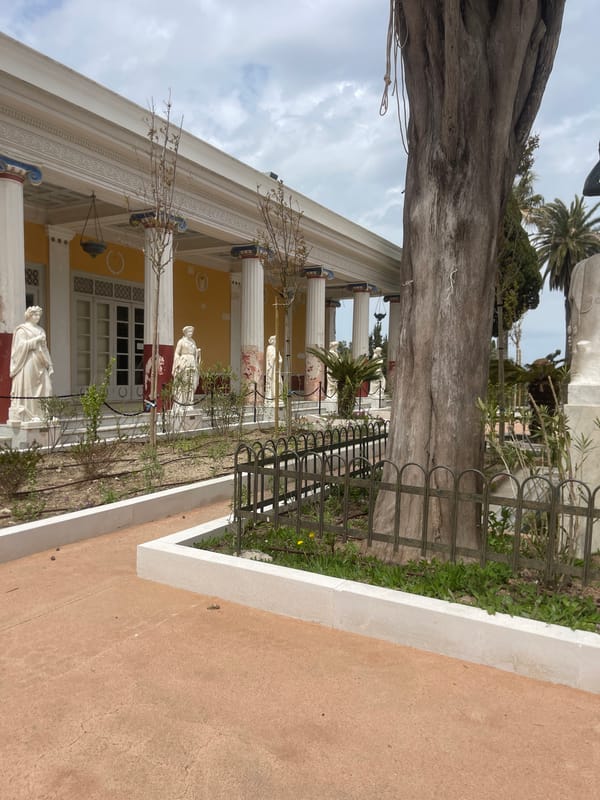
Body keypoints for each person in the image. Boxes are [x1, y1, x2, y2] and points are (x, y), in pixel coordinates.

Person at [9, 306, 54, 422]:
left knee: (47, 388)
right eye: (35, 314)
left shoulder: (41, 330)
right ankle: (31, 415)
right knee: (30, 388)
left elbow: (45, 349)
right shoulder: (22, 330)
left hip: (41, 361)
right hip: (28, 361)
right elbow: (19, 347)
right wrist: (36, 340)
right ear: (29, 315)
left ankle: (44, 413)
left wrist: (50, 365)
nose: (37, 317)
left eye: (39, 315)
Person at [172, 326, 201, 410]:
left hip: (192, 363)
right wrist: (179, 362)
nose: (191, 333)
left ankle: (189, 403)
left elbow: (195, 354)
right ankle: (181, 403)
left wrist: (198, 353)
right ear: (185, 332)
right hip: (184, 364)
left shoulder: (193, 341)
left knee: (191, 384)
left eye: (192, 332)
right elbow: (176, 353)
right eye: (189, 332)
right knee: (183, 384)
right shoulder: (181, 342)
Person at [265, 334, 282, 404]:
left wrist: (280, 360)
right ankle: (273, 397)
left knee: (279, 382)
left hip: (277, 369)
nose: (276, 342)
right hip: (272, 370)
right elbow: (271, 358)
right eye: (275, 340)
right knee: (274, 382)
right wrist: (276, 356)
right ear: (272, 341)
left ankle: (278, 397)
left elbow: (280, 359)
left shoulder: (276, 349)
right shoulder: (270, 348)